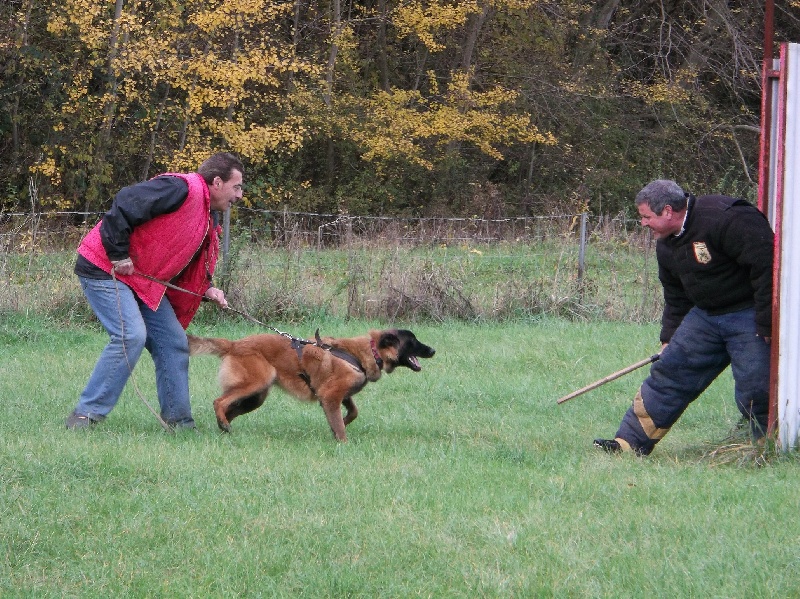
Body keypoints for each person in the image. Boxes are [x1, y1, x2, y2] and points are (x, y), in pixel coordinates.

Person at [66, 152, 244, 430]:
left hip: (141, 281)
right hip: (104, 268)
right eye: (237, 187)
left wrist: (207, 288)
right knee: (130, 335)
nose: (240, 195)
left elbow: (182, 258)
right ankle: (85, 415)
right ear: (217, 182)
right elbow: (126, 200)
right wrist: (118, 253)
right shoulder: (181, 188)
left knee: (174, 342)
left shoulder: (208, 216)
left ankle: (180, 424)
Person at [594, 179, 774, 455]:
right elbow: (676, 296)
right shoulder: (666, 244)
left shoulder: (728, 218)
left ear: (667, 211)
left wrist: (766, 322)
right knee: (669, 373)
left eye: (645, 217)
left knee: (756, 385)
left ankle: (764, 446)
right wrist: (669, 339)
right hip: (705, 316)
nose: (642, 224)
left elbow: (767, 269)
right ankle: (629, 444)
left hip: (748, 313)